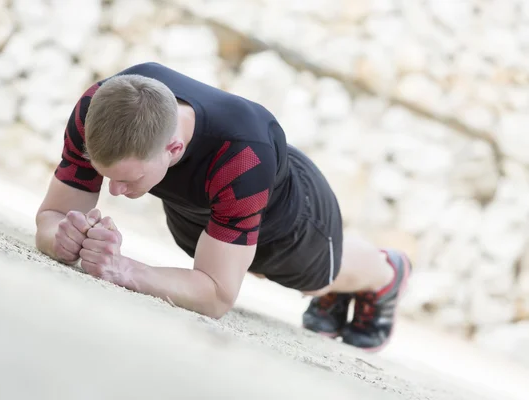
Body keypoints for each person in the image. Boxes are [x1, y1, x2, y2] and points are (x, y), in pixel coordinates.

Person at [34, 62, 412, 352]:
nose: (114, 191)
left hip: (291, 219)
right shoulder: (100, 108)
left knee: (314, 278)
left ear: (173, 149)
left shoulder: (242, 157)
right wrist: (64, 237)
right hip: (196, 207)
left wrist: (121, 267)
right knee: (233, 258)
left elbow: (216, 295)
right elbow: (52, 218)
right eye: (107, 175)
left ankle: (386, 272)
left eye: (128, 180)